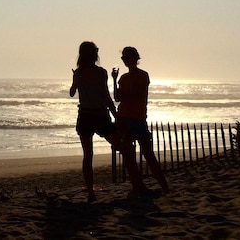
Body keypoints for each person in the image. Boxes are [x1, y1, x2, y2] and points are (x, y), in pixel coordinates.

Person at [69, 41, 148, 202]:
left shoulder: (78, 73)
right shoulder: (100, 72)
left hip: (84, 115)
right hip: (99, 116)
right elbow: (105, 97)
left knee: (88, 155)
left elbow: (72, 93)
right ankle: (137, 185)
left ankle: (91, 192)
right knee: (124, 148)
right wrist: (116, 116)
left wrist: (74, 79)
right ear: (94, 54)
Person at [112, 46, 170, 194]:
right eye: (123, 58)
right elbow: (118, 98)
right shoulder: (123, 78)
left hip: (137, 117)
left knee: (148, 153)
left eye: (127, 57)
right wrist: (113, 80)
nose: (125, 60)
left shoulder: (143, 75)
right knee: (128, 153)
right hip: (124, 117)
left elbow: (135, 94)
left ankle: (164, 187)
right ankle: (137, 186)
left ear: (135, 58)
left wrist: (124, 95)